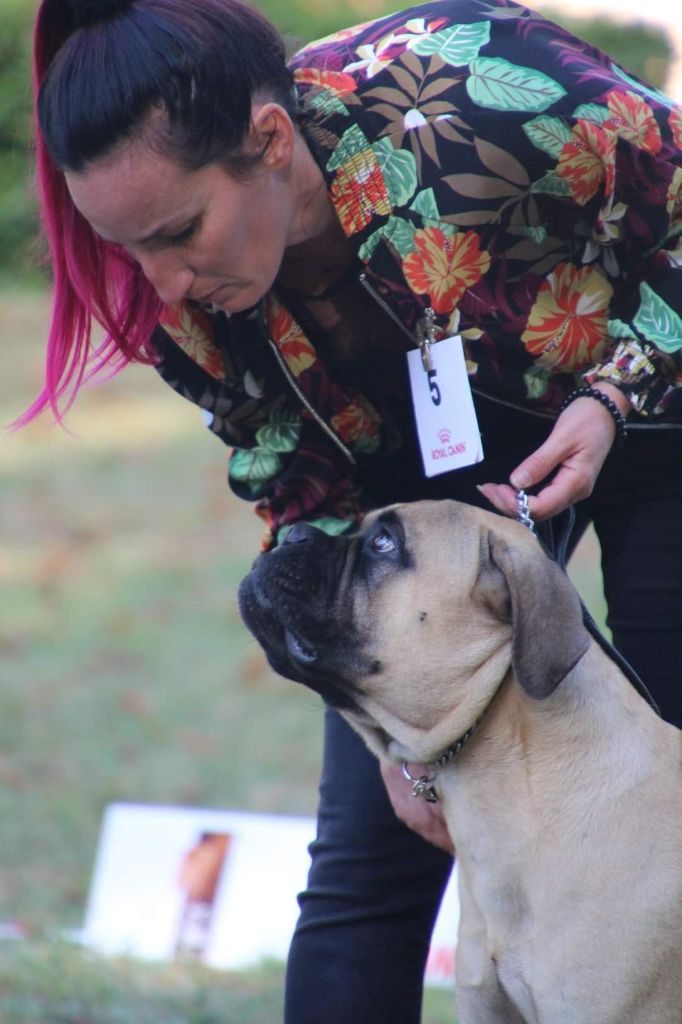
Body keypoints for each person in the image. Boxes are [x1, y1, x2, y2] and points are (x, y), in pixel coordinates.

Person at [30, 0, 682, 1019]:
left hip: (659, 414)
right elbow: (298, 489)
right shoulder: (178, 305)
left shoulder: (480, 98)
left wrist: (614, 393)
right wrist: (380, 725)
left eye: (178, 233)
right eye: (127, 248)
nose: (161, 286)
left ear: (269, 141)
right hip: (424, 512)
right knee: (369, 864)